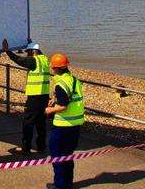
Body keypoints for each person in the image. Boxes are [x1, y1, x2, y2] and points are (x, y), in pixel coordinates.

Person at [1, 38, 50, 153]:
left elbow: (18, 59)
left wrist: (7, 51)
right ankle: (41, 147)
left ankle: (26, 148)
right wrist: (29, 41)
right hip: (44, 97)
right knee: (41, 123)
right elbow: (35, 52)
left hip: (34, 98)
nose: (27, 54)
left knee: (28, 123)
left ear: (32, 51)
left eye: (28, 52)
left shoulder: (33, 61)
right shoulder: (44, 60)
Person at [45, 53, 85, 189]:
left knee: (57, 156)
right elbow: (71, 98)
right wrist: (55, 99)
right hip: (75, 124)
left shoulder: (60, 83)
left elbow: (63, 106)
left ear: (55, 68)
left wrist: (49, 110)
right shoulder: (73, 79)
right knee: (68, 156)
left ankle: (59, 185)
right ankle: (68, 184)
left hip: (63, 125)